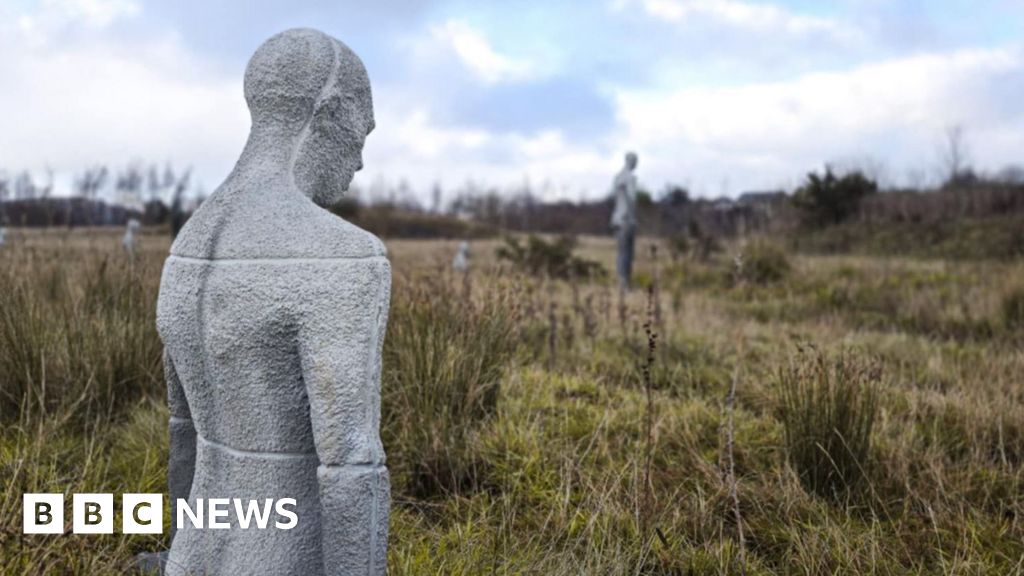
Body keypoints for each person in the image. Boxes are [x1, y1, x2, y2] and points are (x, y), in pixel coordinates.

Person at [154, 29, 390, 576]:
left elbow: (182, 432)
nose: (359, 161)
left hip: (191, 561)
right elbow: (351, 466)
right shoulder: (347, 257)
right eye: (362, 131)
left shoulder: (190, 241)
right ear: (328, 115)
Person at [610, 151, 638, 290]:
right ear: (630, 161)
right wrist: (632, 217)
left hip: (616, 218)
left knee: (621, 253)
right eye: (635, 161)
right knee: (627, 253)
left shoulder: (617, 177)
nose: (636, 164)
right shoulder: (630, 178)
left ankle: (622, 282)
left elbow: (614, 198)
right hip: (626, 220)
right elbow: (632, 199)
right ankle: (625, 284)